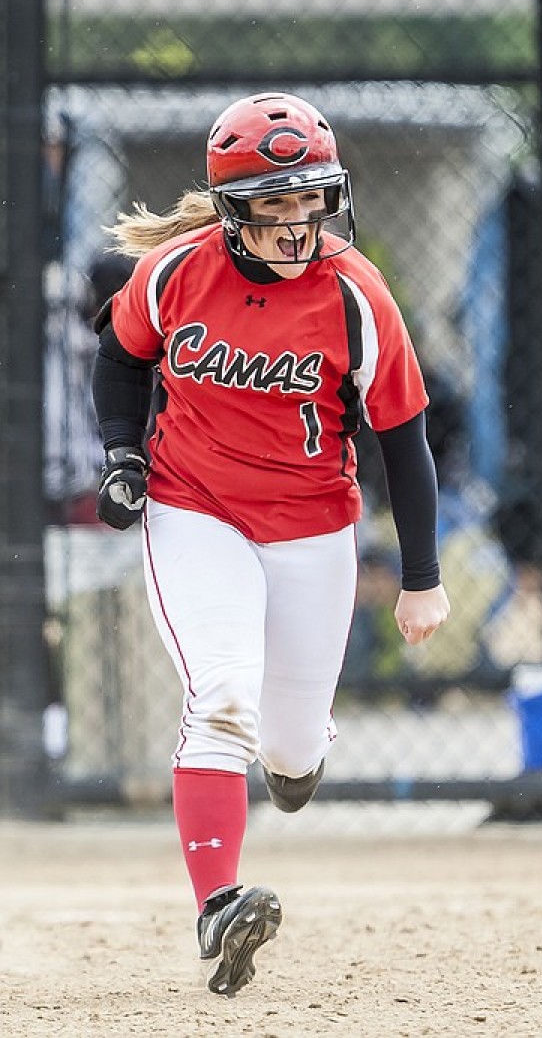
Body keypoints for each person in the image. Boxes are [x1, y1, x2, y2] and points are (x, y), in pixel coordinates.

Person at [91, 92, 450, 997]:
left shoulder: (356, 294)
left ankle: (294, 762)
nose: (295, 222)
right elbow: (122, 354)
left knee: (289, 745)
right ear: (228, 209)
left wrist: (422, 578)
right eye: (270, 202)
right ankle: (219, 900)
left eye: (310, 198)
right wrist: (125, 454)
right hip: (194, 507)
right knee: (221, 696)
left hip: (313, 526)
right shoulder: (177, 272)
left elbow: (402, 437)